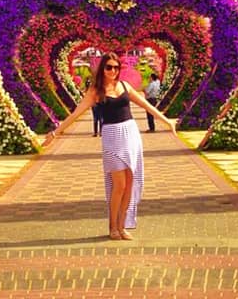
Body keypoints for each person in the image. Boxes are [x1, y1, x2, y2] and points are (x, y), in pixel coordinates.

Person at [43, 52, 177, 241]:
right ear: (102, 69)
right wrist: (55, 133)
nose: (113, 71)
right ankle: (112, 227)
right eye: (109, 67)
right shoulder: (95, 91)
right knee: (119, 185)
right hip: (112, 136)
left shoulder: (124, 86)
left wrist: (167, 121)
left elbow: (147, 106)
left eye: (116, 67)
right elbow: (76, 114)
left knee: (130, 183)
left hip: (131, 133)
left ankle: (122, 226)